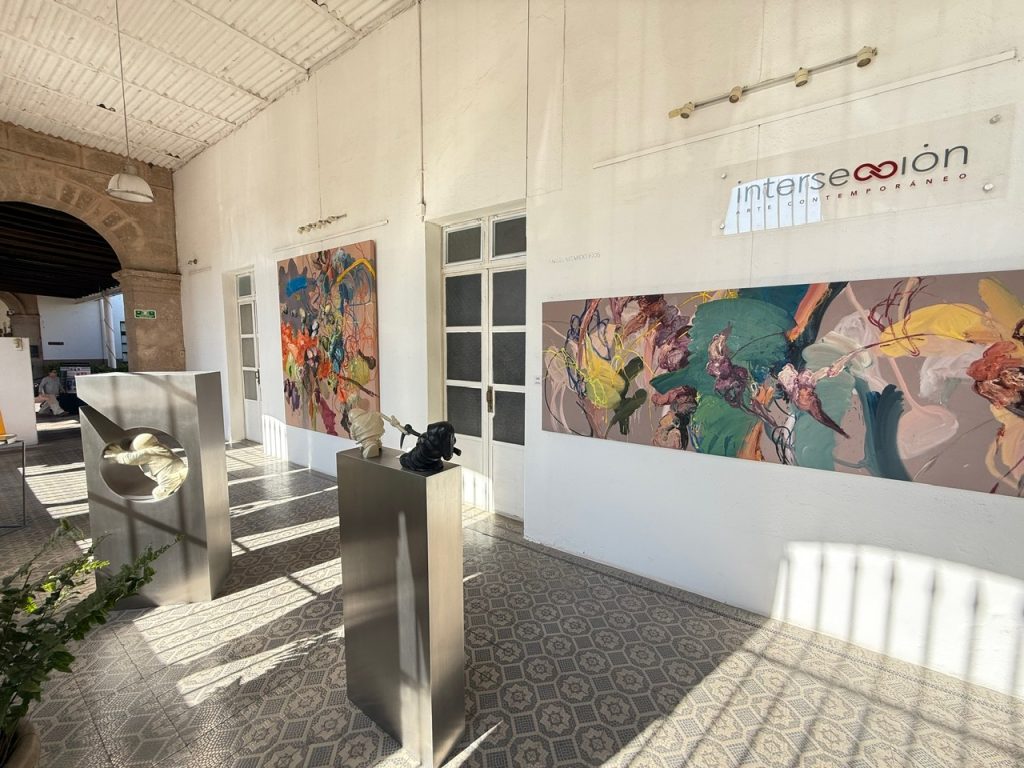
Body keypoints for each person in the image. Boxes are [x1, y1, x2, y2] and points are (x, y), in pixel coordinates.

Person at [103, 433, 188, 500]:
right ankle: (181, 479)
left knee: (157, 493)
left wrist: (118, 455)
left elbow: (130, 458)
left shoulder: (147, 453)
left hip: (166, 475)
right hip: (179, 467)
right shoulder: (160, 447)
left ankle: (173, 489)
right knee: (181, 476)